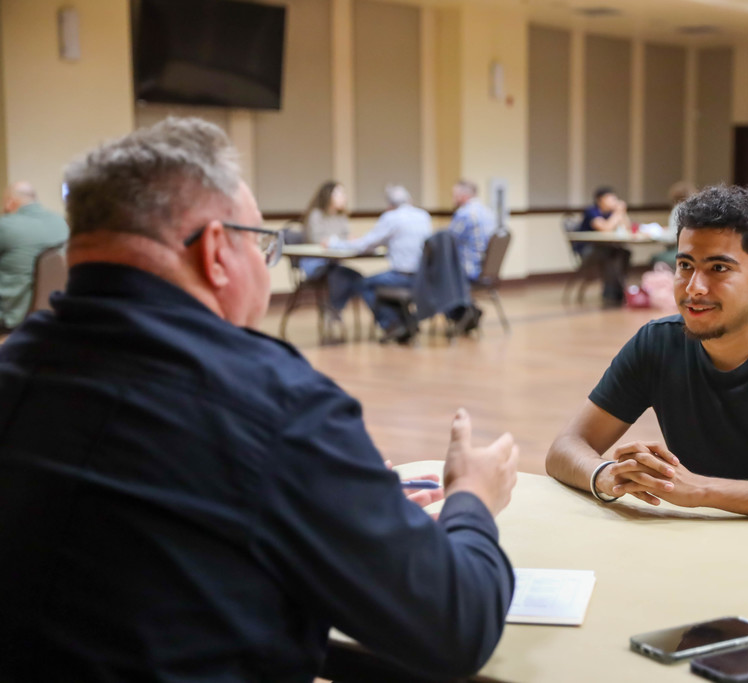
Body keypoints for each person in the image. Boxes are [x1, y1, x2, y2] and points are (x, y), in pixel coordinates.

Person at [0, 117, 519, 682]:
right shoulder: (275, 405)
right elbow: (457, 625)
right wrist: (472, 495)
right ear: (218, 250)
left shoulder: (17, 367)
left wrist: (342, 492)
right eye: (261, 245)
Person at [545, 184, 748, 527]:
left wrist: (704, 490)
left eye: (718, 268)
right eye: (686, 265)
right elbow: (565, 447)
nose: (694, 288)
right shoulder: (657, 344)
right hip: (698, 548)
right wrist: (608, 475)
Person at [328, 184, 432, 342]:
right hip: (425, 278)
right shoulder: (423, 215)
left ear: (389, 205)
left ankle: (392, 324)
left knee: (363, 283)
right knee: (380, 283)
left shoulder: (391, 217)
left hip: (403, 277)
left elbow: (363, 245)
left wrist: (334, 243)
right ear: (410, 200)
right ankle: (405, 321)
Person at [0, 181, 69, 329]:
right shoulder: (60, 222)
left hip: (12, 315)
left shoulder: (5, 225)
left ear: (10, 202)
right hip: (53, 311)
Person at [297, 180, 363, 318]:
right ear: (328, 196)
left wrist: (338, 240)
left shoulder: (341, 217)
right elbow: (316, 240)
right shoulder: (316, 215)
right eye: (339, 193)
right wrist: (337, 240)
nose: (343, 197)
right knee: (340, 276)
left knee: (356, 277)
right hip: (315, 263)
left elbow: (346, 237)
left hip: (334, 262)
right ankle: (333, 308)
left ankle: (334, 307)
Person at [446, 179, 496, 333]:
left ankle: (464, 312)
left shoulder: (465, 213)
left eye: (455, 195)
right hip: (486, 270)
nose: (453, 199)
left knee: (437, 277)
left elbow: (449, 240)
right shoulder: (488, 212)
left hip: (469, 270)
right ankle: (466, 313)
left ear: (463, 196)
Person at [579, 186, 633, 306]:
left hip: (606, 248)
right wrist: (617, 213)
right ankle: (613, 293)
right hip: (588, 250)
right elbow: (605, 228)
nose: (614, 201)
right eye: (611, 198)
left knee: (623, 253)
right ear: (600, 200)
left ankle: (616, 291)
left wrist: (622, 214)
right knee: (611, 254)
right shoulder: (591, 211)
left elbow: (627, 228)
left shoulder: (610, 214)